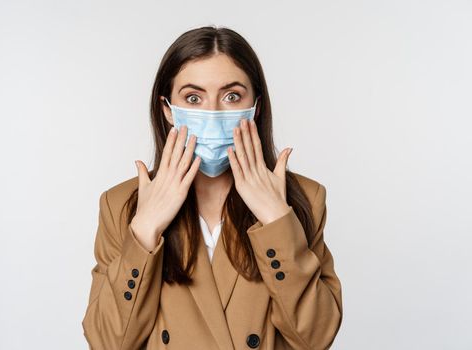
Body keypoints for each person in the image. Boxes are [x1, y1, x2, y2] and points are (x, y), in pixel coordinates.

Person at [82, 25, 343, 350]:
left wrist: (277, 220)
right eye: (193, 97)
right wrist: (145, 229)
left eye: (232, 96)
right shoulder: (121, 205)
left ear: (256, 106)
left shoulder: (304, 199)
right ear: (167, 110)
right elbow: (108, 342)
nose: (214, 113)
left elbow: (315, 339)